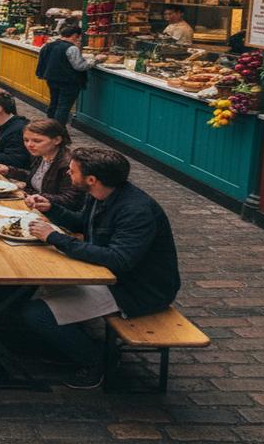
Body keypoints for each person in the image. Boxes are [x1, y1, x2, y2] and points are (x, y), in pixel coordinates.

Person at [22, 147, 180, 389]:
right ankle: (61, 343)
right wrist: (51, 209)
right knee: (29, 286)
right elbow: (82, 223)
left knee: (36, 314)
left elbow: (119, 260)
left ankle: (98, 361)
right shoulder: (100, 194)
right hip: (105, 276)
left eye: (72, 171)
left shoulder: (136, 210)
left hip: (134, 289)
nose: (69, 174)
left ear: (91, 179)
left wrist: (54, 238)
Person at [0, 119, 82, 210]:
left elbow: (70, 200)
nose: (29, 145)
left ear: (57, 140)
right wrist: (9, 170)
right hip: (34, 204)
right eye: (26, 140)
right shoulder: (41, 154)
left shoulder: (68, 165)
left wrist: (33, 195)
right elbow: (38, 178)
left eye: (37, 141)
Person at [36, 24, 105, 124]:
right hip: (68, 81)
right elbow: (80, 66)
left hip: (51, 78)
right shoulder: (72, 48)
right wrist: (96, 60)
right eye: (79, 36)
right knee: (63, 106)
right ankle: (59, 130)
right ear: (74, 35)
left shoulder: (49, 45)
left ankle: (50, 126)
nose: (79, 39)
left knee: (54, 102)